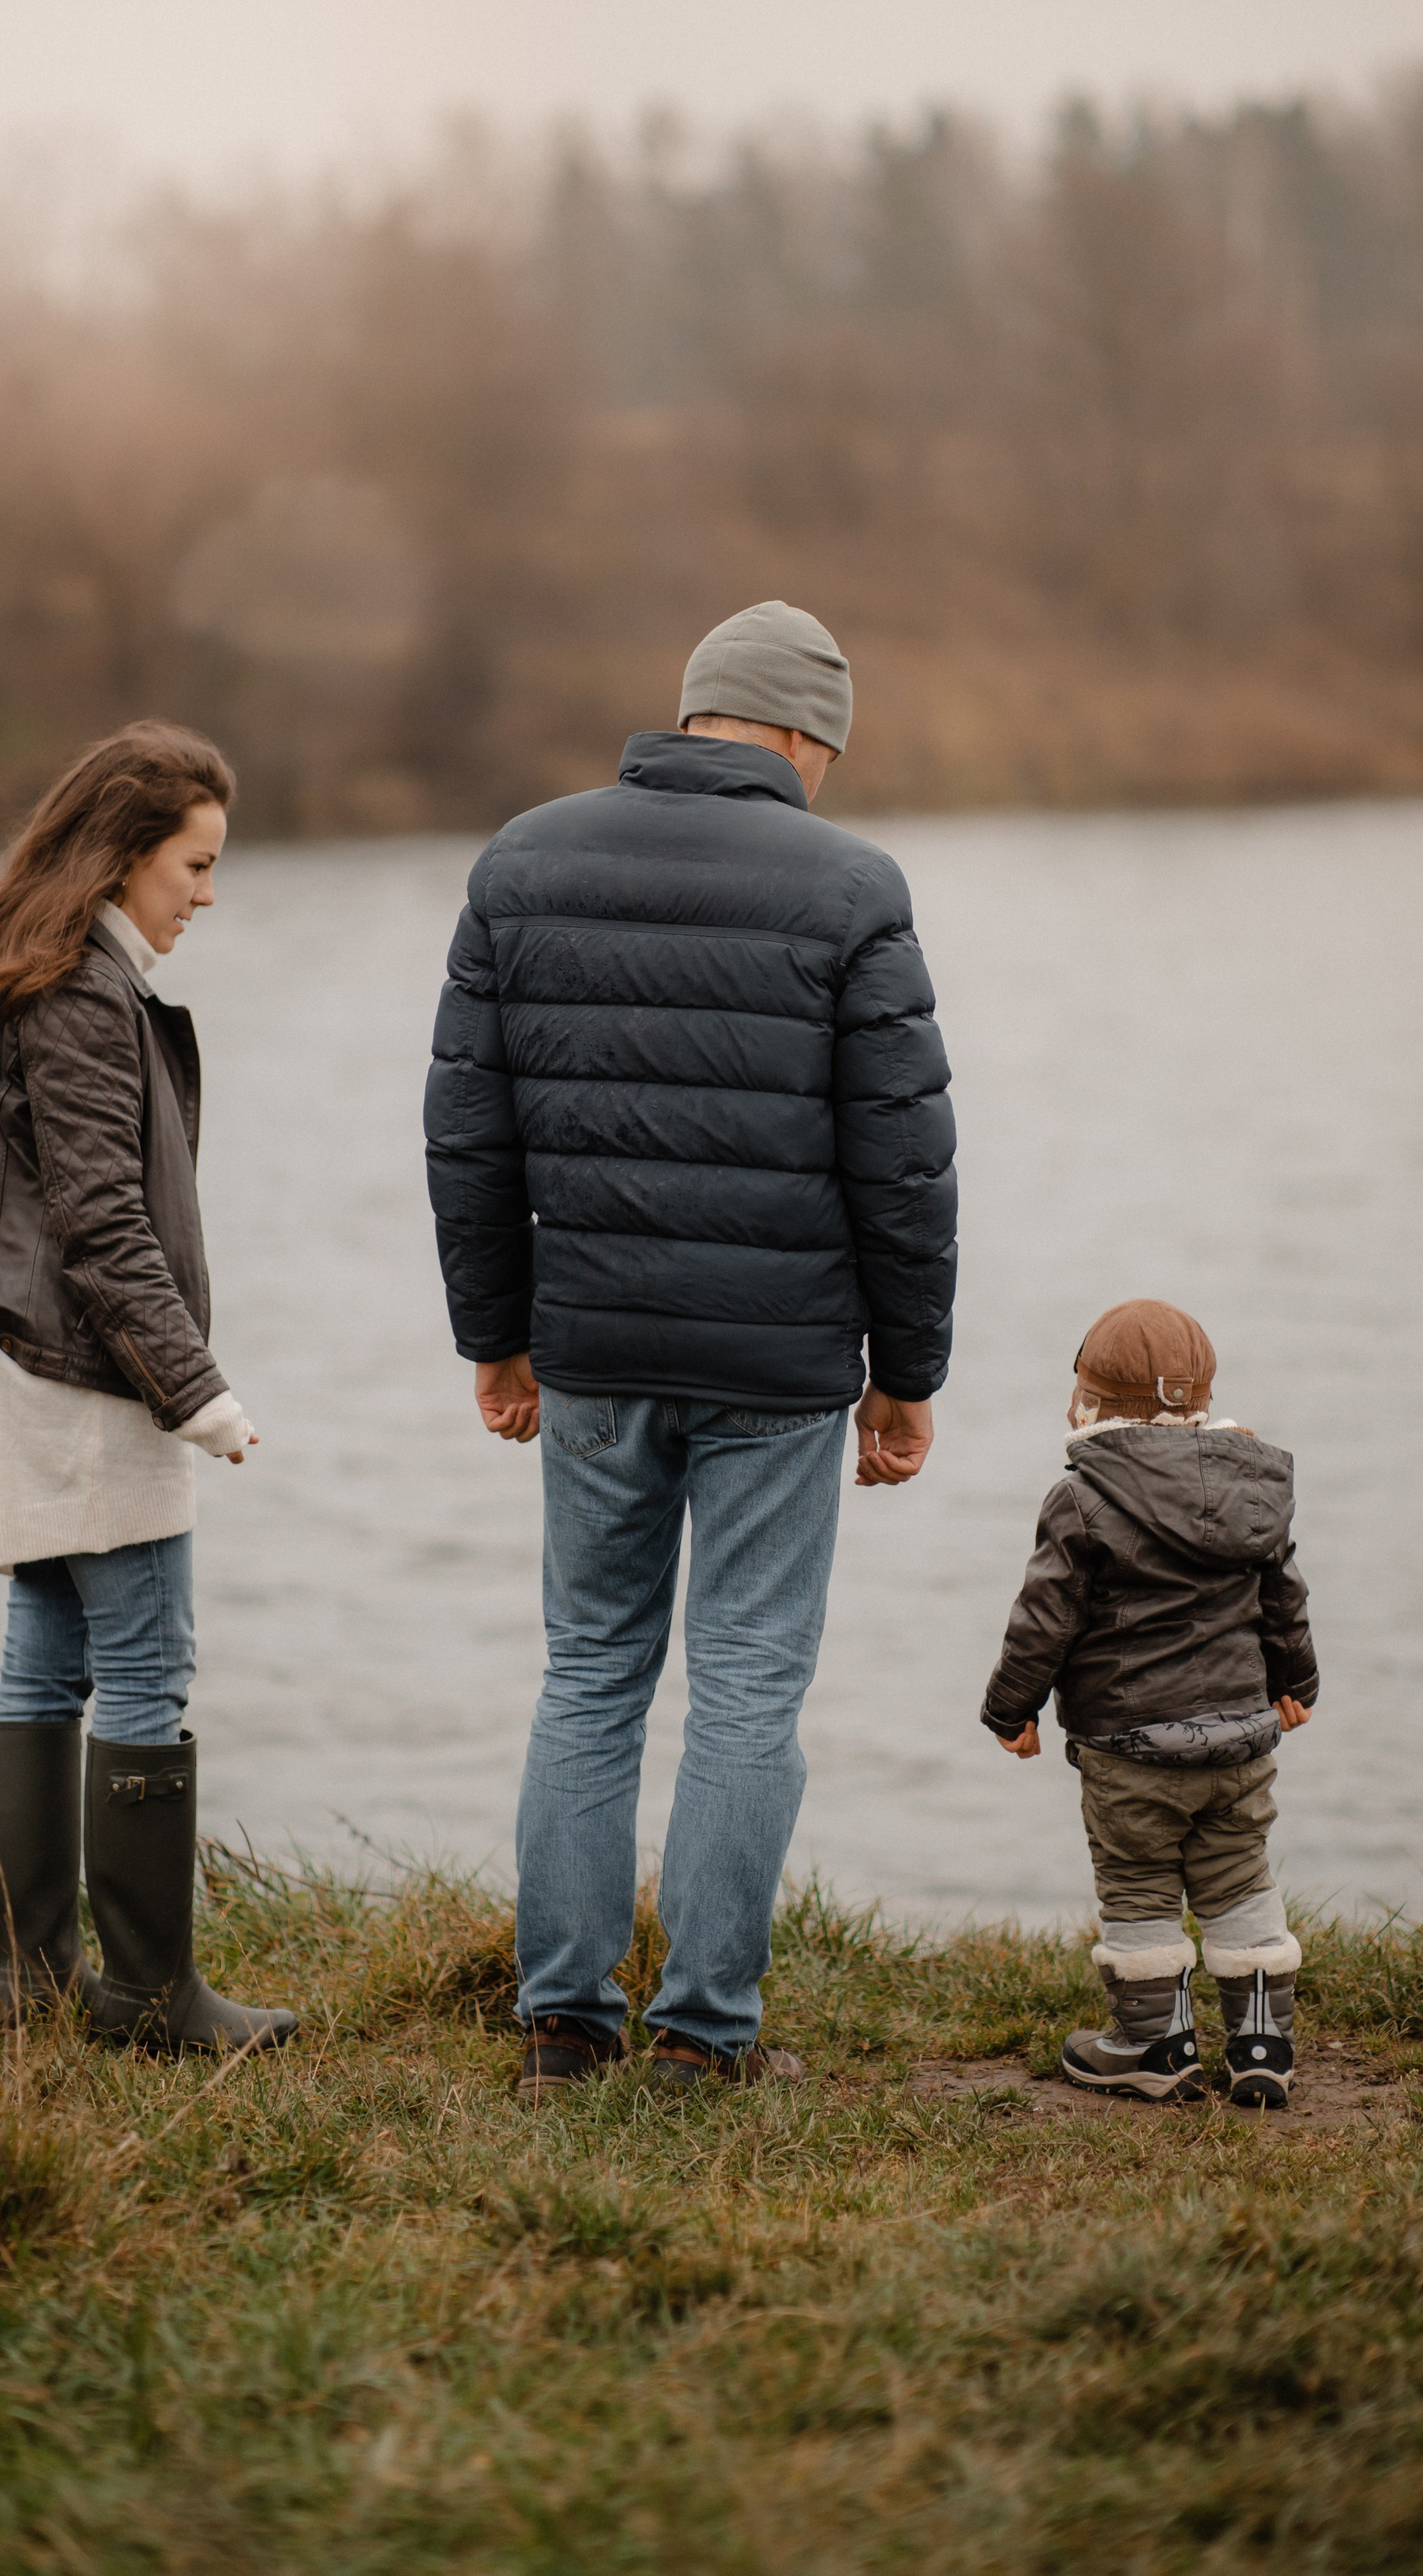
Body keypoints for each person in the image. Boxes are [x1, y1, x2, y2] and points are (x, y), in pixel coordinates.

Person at [425, 600, 957, 2096]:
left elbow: (467, 1134)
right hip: (779, 1370)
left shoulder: (522, 862)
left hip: (591, 1348)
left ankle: (563, 2023)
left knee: (590, 1673)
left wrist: (496, 1339)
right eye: (827, 749)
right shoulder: (852, 888)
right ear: (798, 734)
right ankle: (703, 2035)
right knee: (745, 1687)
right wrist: (907, 1375)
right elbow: (904, 1160)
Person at [0, 719, 296, 2058]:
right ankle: (150, 1999)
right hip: (88, 1372)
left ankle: (35, 1984)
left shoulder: (48, 972)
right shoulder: (83, 993)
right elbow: (101, 1226)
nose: (208, 892)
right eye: (194, 864)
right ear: (124, 853)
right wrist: (198, 1394)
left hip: (28, 1361)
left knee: (46, 1654)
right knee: (146, 1658)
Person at [981, 1299, 1317, 2108]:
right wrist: (1293, 1684)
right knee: (1240, 1879)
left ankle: (1154, 2046)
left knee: (1137, 1887)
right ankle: (1262, 2049)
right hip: (1240, 1739)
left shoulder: (1082, 1497)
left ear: (1089, 1404)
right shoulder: (1252, 1490)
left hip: (1130, 1746)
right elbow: (1283, 1598)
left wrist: (1010, 1710)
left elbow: (1044, 1620)